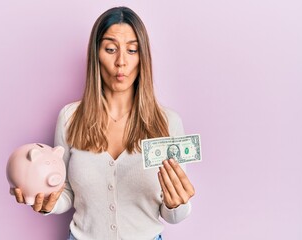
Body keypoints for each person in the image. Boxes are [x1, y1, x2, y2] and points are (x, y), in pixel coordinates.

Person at [13, 6, 195, 240]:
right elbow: (66, 191)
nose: (121, 62)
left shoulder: (168, 122)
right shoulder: (70, 117)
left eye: (132, 50)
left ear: (143, 58)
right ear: (96, 55)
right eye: (110, 49)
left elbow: (174, 215)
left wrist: (177, 204)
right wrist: (47, 202)